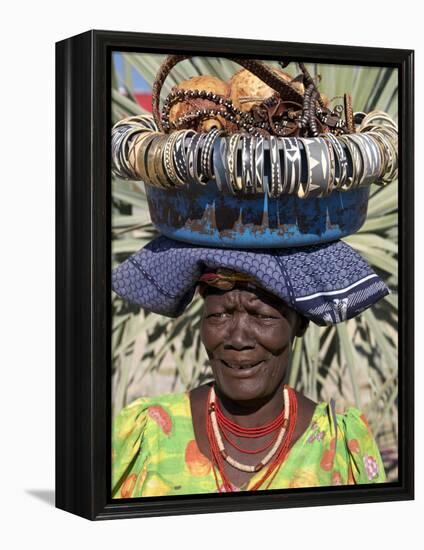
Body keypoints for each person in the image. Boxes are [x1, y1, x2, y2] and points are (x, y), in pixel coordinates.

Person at [111, 237, 388, 497]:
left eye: (262, 316)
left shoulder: (340, 448)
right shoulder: (148, 435)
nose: (238, 339)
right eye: (219, 315)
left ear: (299, 323)